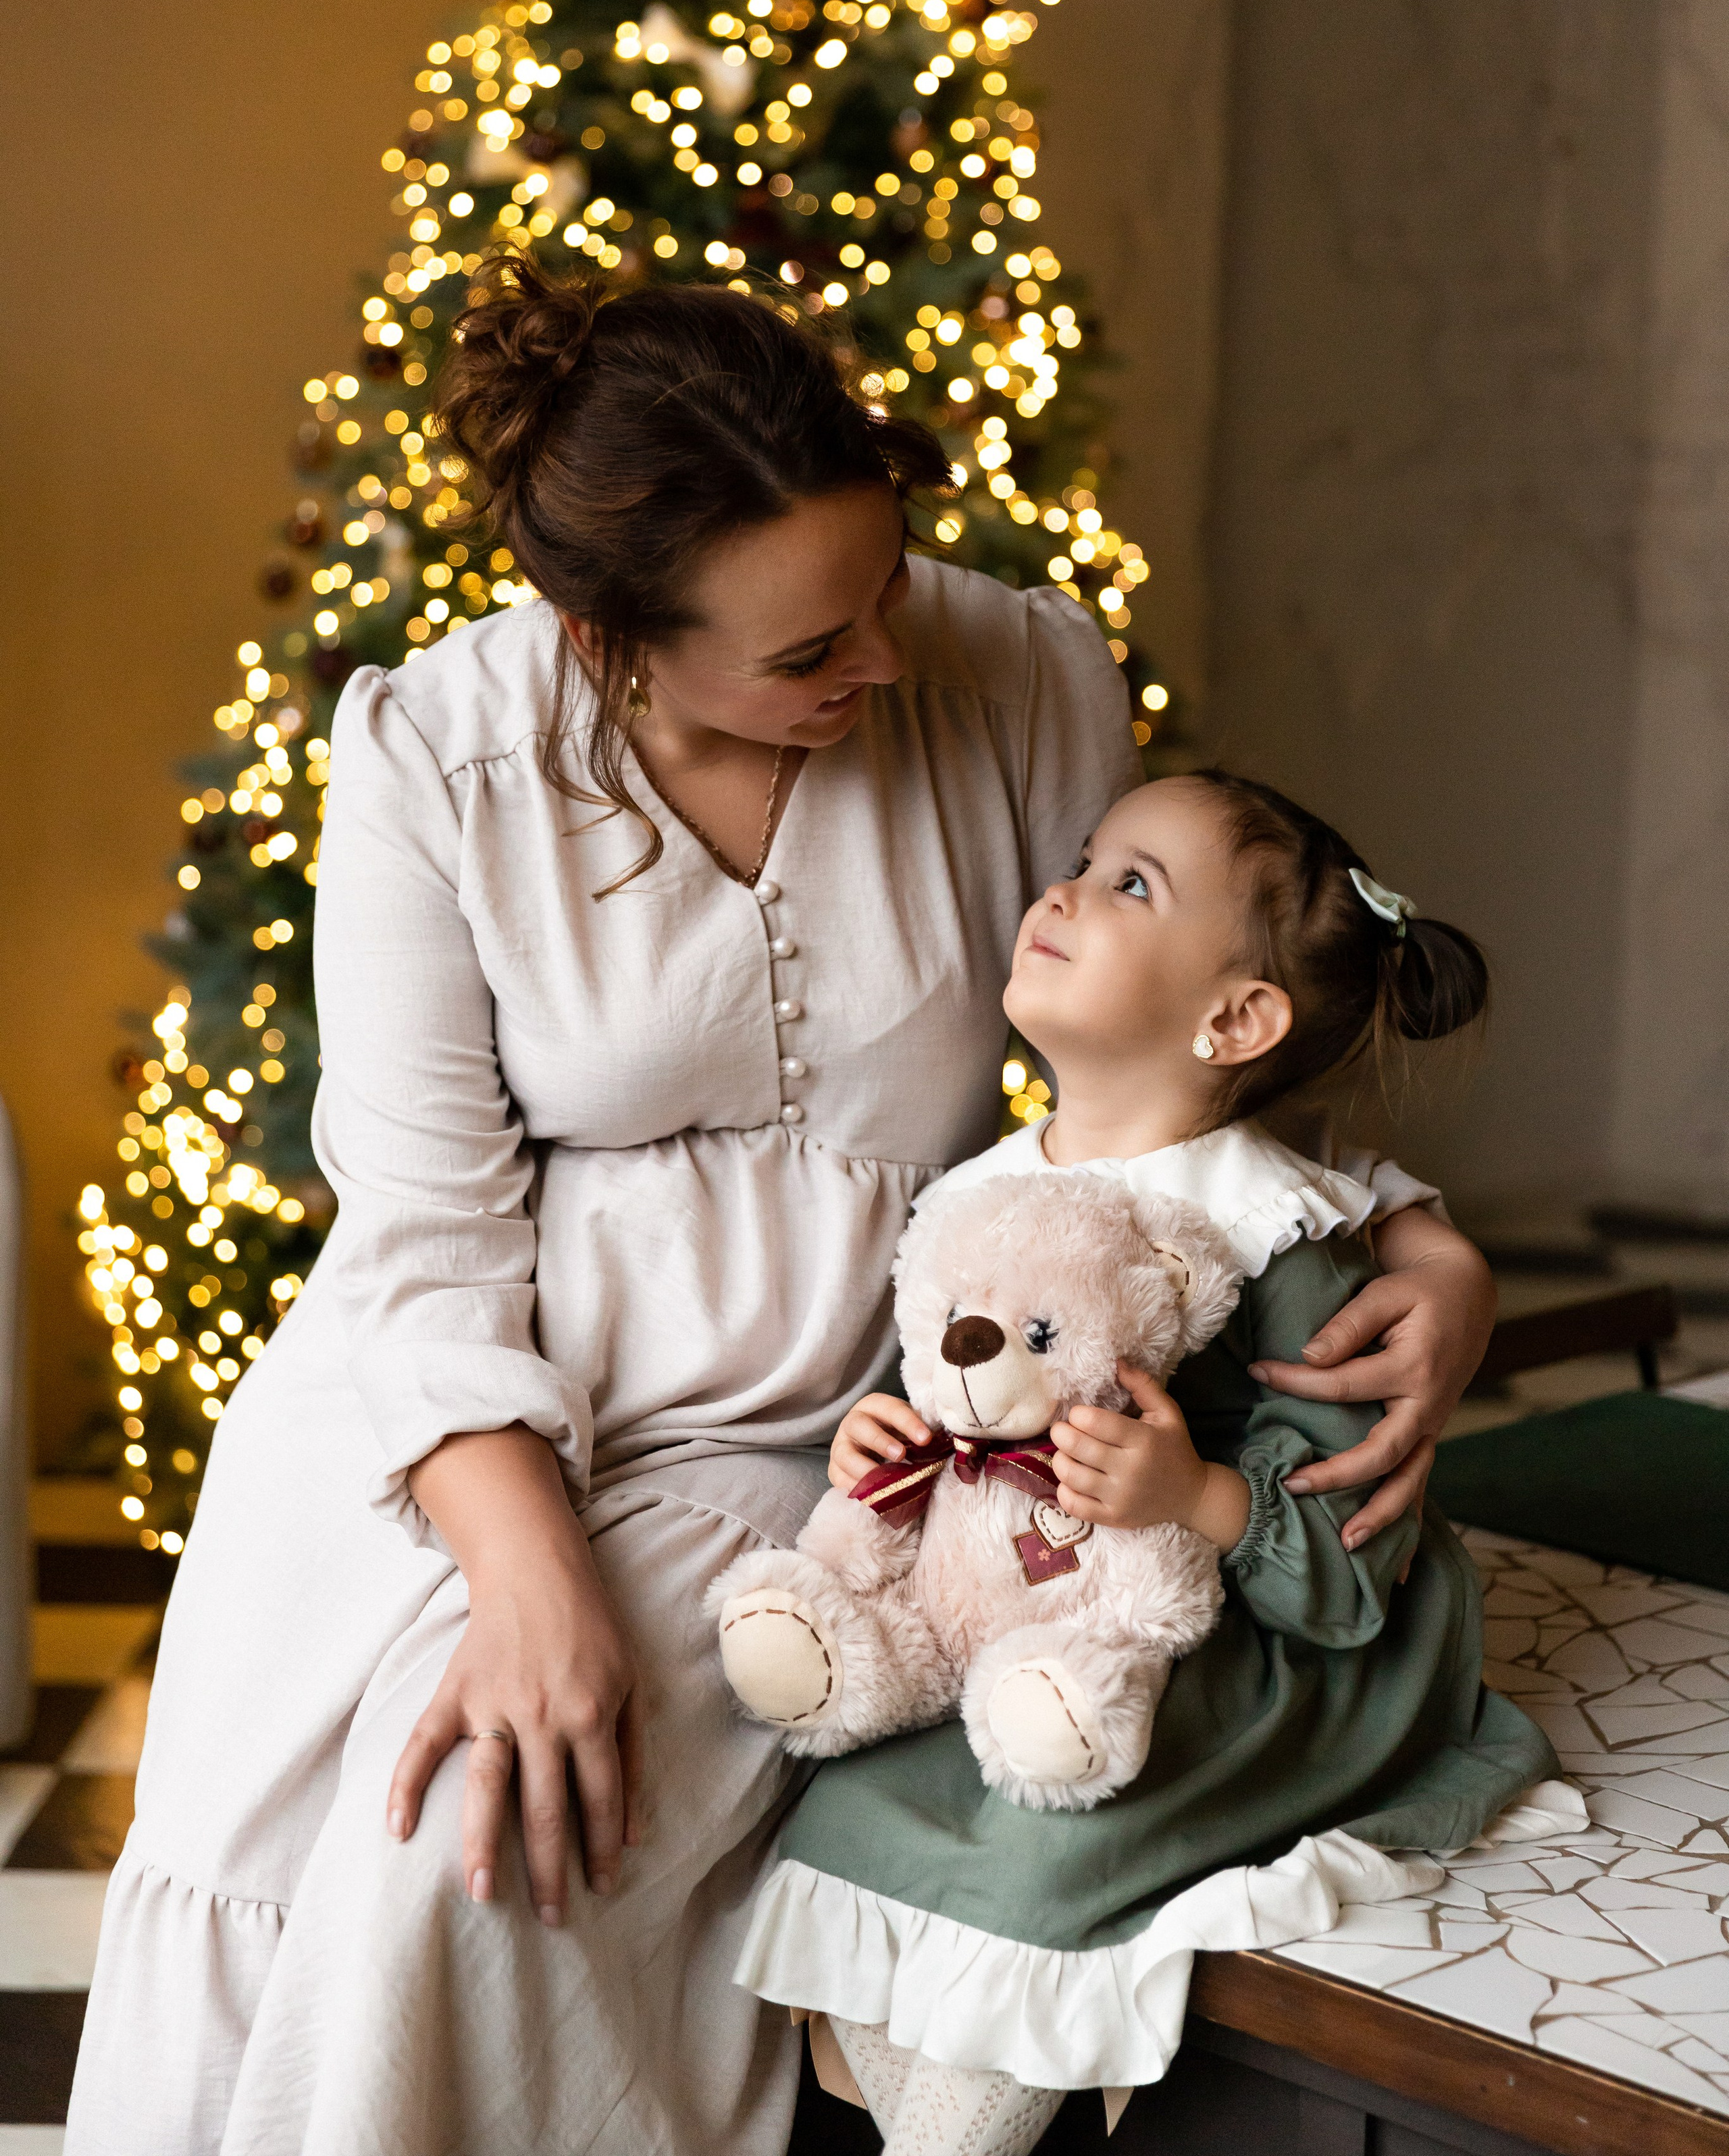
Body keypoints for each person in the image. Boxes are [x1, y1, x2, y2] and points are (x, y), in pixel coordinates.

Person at [69, 257, 1500, 2156]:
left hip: (820, 1430)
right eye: (809, 651)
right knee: (287, 1840)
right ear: (608, 639)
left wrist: (1422, 1239)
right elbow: (422, 1220)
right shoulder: (436, 754)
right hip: (451, 1411)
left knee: (462, 1858)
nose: (882, 664)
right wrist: (523, 1575)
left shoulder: (1017, 673)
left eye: (884, 591)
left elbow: (1168, 1046)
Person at [738, 772, 1577, 2156]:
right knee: (851, 1797)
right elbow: (959, 1411)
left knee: (1054, 1841)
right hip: (1026, 1627)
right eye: (1082, 860)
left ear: (1235, 1018)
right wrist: (879, 1450)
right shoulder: (981, 1193)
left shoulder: (1277, 1243)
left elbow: (1351, 1571)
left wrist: (1190, 1495)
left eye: (1132, 883)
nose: (1062, 890)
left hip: (1252, 1641)